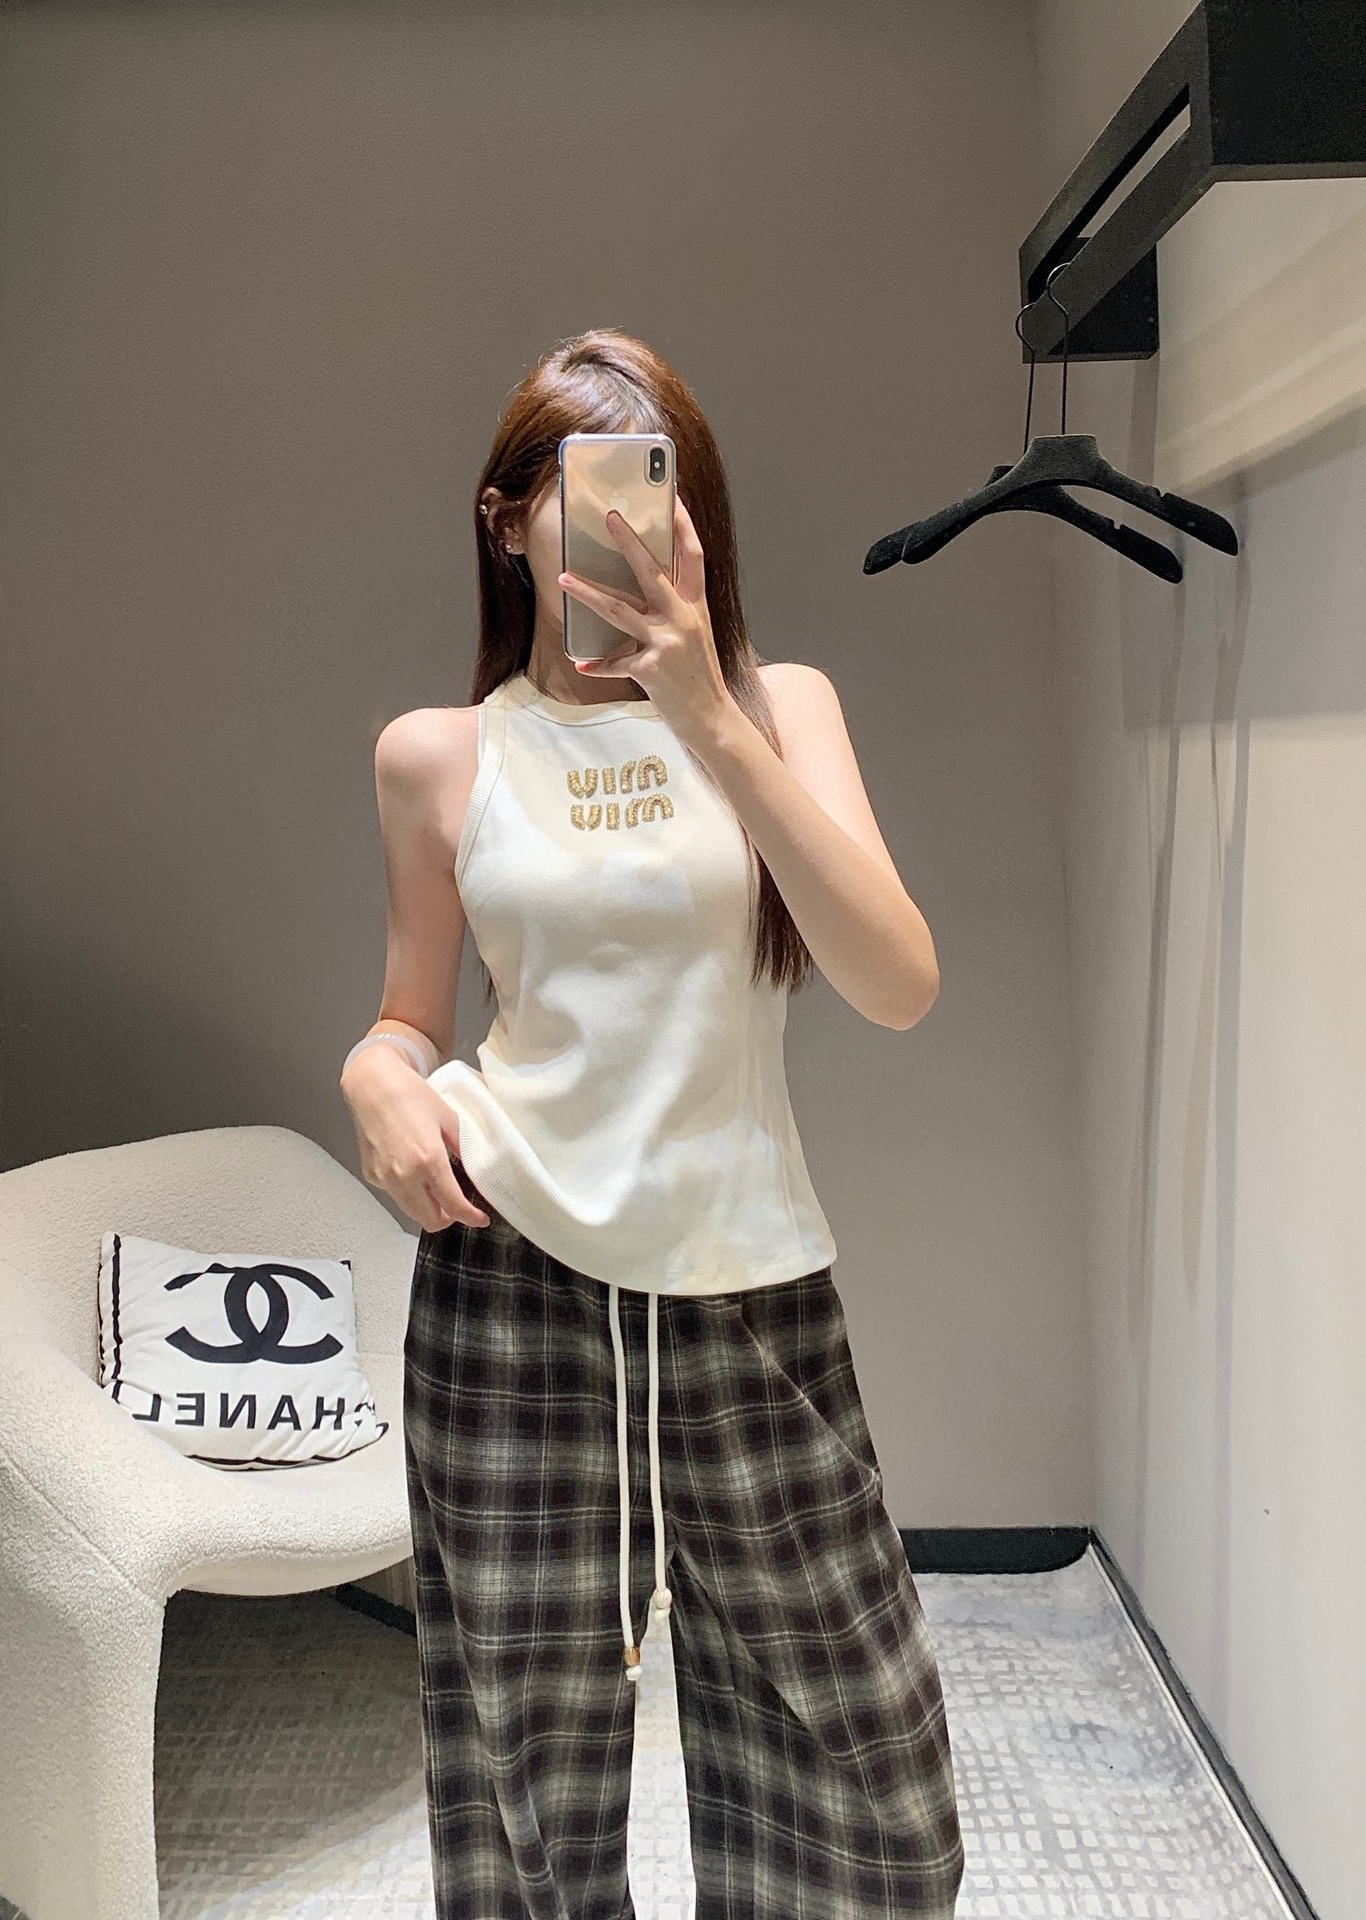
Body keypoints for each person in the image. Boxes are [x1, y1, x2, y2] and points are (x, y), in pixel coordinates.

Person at [339, 328, 965, 1919]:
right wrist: (375, 1077)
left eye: (660, 486)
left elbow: (896, 982)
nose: (636, 525)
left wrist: (708, 716)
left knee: (876, 1813)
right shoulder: (439, 756)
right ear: (507, 523)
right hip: (510, 1291)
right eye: (590, 492)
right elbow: (412, 1017)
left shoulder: (780, 707)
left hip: (746, 1282)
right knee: (525, 1798)